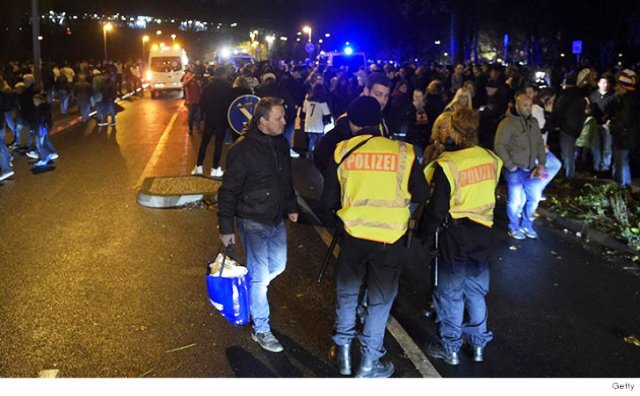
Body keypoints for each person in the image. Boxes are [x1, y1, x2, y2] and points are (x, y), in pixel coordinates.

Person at [322, 96, 429, 377]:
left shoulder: (341, 150)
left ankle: (343, 354)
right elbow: (422, 193)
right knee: (379, 301)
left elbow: (329, 200)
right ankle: (369, 365)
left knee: (347, 293)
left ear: (353, 122)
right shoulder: (404, 152)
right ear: (378, 121)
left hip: (353, 235)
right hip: (389, 240)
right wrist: (403, 211)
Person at [418, 107, 502, 366]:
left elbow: (437, 207)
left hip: (454, 234)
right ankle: (478, 346)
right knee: (476, 291)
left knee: (451, 292)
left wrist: (424, 232)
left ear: (455, 130)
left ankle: (450, 347)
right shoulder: (491, 158)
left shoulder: (448, 164)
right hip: (483, 231)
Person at [217, 97, 299, 353]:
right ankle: (261, 329)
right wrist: (226, 228)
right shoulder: (241, 151)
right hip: (251, 220)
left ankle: (254, 289)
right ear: (263, 121)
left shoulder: (281, 144)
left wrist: (292, 206)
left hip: (275, 218)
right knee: (260, 279)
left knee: (278, 266)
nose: (285, 122)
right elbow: (228, 191)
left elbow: (286, 179)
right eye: (279, 118)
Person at [313, 72, 392, 176]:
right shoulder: (351, 120)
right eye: (378, 95)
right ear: (366, 91)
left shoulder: (380, 117)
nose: (383, 101)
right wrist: (340, 181)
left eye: (386, 96)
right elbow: (321, 153)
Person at [494, 93, 546, 240]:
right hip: (515, 169)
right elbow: (499, 145)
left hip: (532, 169)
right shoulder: (507, 123)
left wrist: (542, 163)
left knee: (534, 198)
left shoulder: (533, 122)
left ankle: (527, 224)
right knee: (515, 201)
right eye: (525, 105)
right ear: (516, 106)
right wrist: (510, 165)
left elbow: (539, 144)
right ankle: (514, 226)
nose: (529, 108)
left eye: (530, 105)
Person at [194, 65, 233, 177]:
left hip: (210, 119)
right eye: (226, 73)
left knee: (204, 143)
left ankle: (199, 166)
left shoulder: (207, 87)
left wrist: (203, 115)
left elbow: (201, 104)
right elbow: (230, 104)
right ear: (222, 74)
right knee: (218, 144)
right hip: (221, 119)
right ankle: (215, 168)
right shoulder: (227, 87)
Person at [610, 69, 639, 187]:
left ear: (623, 86)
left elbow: (624, 122)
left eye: (617, 85)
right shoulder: (631, 99)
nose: (615, 87)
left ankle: (620, 187)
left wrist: (613, 126)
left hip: (623, 138)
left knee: (620, 163)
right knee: (623, 162)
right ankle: (625, 185)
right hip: (628, 138)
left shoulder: (627, 101)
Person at [32, 92, 58, 167]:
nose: (34, 103)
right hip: (43, 127)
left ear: (40, 101)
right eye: (33, 101)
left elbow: (40, 120)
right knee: (44, 141)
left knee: (39, 144)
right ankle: (50, 154)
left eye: (35, 101)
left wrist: (35, 128)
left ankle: (44, 158)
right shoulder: (43, 107)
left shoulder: (41, 109)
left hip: (41, 128)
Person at [182, 67, 203, 135]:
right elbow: (184, 85)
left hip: (198, 100)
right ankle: (191, 129)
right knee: (191, 116)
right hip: (190, 100)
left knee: (198, 116)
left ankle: (198, 128)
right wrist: (191, 78)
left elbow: (200, 87)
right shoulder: (187, 76)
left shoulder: (197, 78)